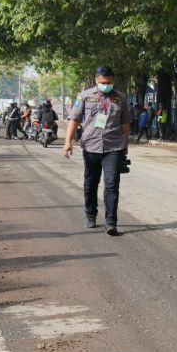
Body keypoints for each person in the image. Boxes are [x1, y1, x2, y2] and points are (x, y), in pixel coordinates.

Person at [63, 66, 132, 235]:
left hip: (114, 146)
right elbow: (74, 119)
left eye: (109, 82)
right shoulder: (84, 96)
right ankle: (91, 214)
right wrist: (67, 142)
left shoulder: (120, 98)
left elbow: (125, 124)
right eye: (102, 82)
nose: (106, 85)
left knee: (112, 184)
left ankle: (111, 222)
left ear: (113, 80)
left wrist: (126, 145)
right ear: (96, 80)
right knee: (91, 183)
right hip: (91, 145)